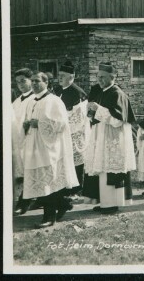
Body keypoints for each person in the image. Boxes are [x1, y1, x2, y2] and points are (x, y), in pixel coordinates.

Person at [22, 72, 79, 228]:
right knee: (43, 181)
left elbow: (61, 124)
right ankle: (63, 204)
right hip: (35, 146)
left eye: (37, 81)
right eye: (32, 81)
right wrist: (26, 124)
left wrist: (40, 123)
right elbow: (27, 120)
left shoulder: (54, 101)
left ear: (46, 82)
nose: (34, 84)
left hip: (50, 147)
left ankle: (49, 217)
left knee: (49, 181)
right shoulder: (30, 101)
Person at [84, 62, 136, 214]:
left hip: (113, 138)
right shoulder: (102, 91)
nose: (99, 80)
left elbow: (117, 120)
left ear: (112, 77)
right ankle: (104, 202)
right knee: (102, 169)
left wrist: (97, 109)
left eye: (103, 77)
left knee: (111, 169)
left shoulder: (117, 93)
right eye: (98, 77)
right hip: (102, 136)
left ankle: (112, 203)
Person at [53, 61, 89, 200]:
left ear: (71, 77)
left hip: (75, 133)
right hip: (61, 132)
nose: (59, 78)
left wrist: (64, 126)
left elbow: (79, 117)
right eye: (59, 75)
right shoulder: (57, 90)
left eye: (63, 75)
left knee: (76, 160)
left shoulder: (77, 93)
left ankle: (76, 190)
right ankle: (64, 187)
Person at [12, 68, 36, 215]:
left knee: (30, 171)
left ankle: (25, 201)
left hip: (30, 140)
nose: (20, 84)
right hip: (17, 141)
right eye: (17, 82)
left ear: (31, 80)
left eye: (23, 81)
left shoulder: (34, 99)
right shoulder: (16, 101)